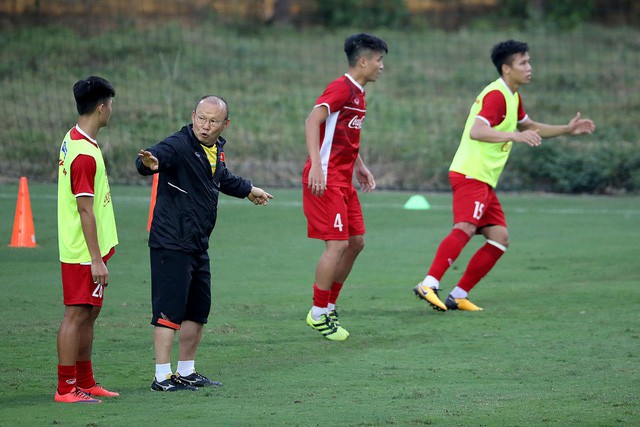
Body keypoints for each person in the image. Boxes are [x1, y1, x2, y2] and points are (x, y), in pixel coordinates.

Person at [414, 40, 596, 312]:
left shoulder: (513, 96)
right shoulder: (497, 95)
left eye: (529, 61)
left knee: (499, 237)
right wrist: (514, 136)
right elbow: (477, 131)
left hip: (484, 178)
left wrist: (567, 129)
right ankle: (428, 284)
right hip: (471, 173)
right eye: (523, 63)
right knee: (465, 227)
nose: (529, 67)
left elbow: (530, 126)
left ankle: (458, 295)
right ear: (506, 68)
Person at [136, 95, 273, 392]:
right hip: (172, 242)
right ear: (192, 116)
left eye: (213, 121)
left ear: (225, 124)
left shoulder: (215, 149)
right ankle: (162, 377)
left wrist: (248, 189)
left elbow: (221, 178)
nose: (205, 126)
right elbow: (152, 158)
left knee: (197, 311)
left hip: (197, 243)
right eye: (201, 118)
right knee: (168, 311)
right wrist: (149, 164)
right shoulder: (178, 144)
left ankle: (186, 370)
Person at [302, 33, 388, 340]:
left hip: (343, 179)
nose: (381, 66)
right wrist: (316, 165)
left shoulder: (359, 93)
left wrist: (359, 166)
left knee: (356, 242)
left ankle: (329, 306)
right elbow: (312, 121)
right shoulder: (341, 87)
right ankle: (317, 313)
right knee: (337, 245)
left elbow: (342, 134)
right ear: (363, 61)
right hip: (326, 180)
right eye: (378, 60)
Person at [56, 76, 119, 403]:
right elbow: (84, 210)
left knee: (89, 314)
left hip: (88, 250)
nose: (112, 109)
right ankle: (66, 388)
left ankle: (85, 381)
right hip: (82, 252)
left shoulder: (76, 138)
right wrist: (95, 260)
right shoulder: (84, 155)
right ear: (101, 107)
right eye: (111, 104)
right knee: (76, 315)